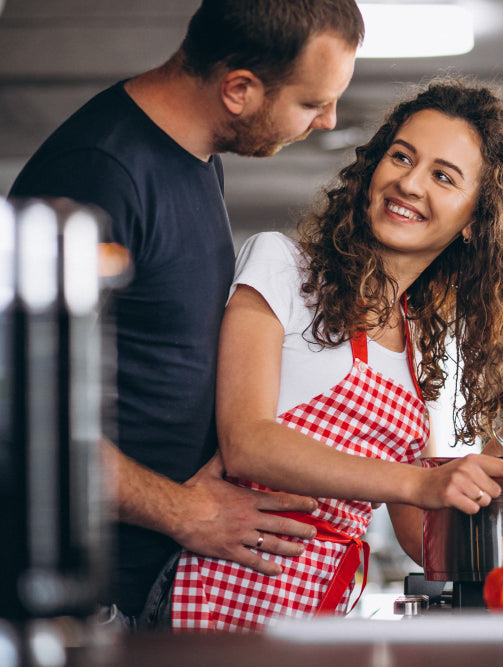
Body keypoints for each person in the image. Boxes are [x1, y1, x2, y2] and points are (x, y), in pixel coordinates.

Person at [171, 78, 503, 632]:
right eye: (401, 157)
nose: (410, 183)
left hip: (321, 612)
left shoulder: (422, 345)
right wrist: (419, 481)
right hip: (224, 590)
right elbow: (248, 443)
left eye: (443, 176)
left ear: (473, 222)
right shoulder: (283, 267)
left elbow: (425, 542)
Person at [7, 0, 365, 628]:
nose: (327, 121)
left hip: (148, 586)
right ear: (239, 90)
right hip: (84, 600)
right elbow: (22, 414)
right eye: (312, 103)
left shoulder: (198, 160)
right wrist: (186, 513)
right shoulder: (99, 172)